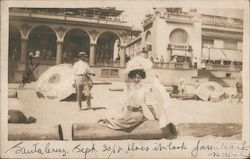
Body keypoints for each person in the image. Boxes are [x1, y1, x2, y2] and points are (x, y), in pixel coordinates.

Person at [98, 56, 157, 131]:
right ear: (132, 76)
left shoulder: (145, 89)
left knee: (117, 123)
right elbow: (123, 102)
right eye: (135, 75)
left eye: (139, 75)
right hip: (127, 111)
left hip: (137, 114)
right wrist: (121, 114)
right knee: (116, 119)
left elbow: (149, 104)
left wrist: (155, 115)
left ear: (142, 76)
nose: (137, 78)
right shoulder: (128, 88)